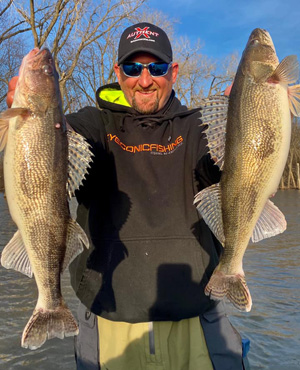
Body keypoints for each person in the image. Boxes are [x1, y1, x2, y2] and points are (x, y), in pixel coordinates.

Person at [7, 22, 245, 370]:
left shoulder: (197, 127)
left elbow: (230, 168)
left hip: (199, 324)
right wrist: (31, 120)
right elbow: (54, 148)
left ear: (174, 71)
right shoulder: (93, 125)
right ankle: (49, 305)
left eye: (157, 68)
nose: (144, 80)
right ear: (117, 72)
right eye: (133, 68)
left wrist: (248, 118)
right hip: (108, 328)